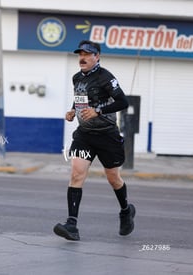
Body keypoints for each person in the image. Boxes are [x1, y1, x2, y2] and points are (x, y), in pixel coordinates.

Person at [53, 40, 135, 241]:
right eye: (80, 54)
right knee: (76, 174)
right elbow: (81, 98)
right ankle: (72, 224)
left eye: (87, 54)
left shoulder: (106, 77)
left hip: (107, 135)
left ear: (96, 57)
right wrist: (74, 110)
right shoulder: (76, 78)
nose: (82, 57)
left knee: (113, 178)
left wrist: (98, 111)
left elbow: (123, 102)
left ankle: (126, 211)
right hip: (84, 135)